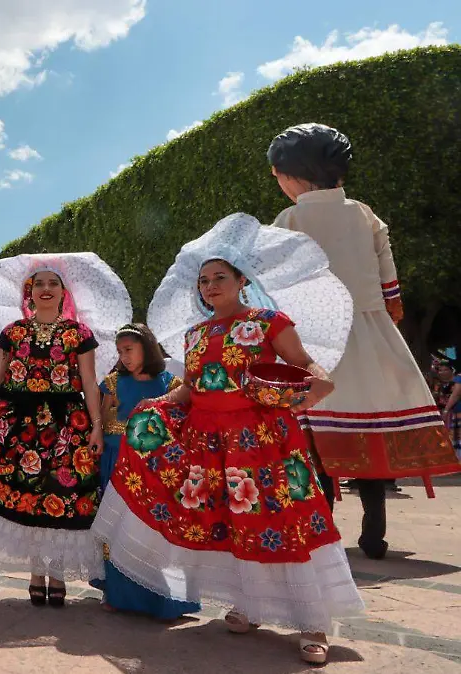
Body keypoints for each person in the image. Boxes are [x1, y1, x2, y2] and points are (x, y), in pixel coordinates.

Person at [92, 213, 364, 665]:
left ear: (242, 280)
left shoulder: (271, 322)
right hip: (212, 442)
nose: (211, 285)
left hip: (265, 439)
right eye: (204, 280)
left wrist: (320, 385)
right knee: (231, 523)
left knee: (287, 520)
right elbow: (192, 389)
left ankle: (313, 622)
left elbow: (304, 364)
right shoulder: (196, 335)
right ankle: (250, 605)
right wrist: (158, 406)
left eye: (220, 277)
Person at [269, 123, 461, 559]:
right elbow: (387, 271)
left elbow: (278, 282)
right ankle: (374, 533)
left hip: (318, 338)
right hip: (370, 334)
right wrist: (389, 308)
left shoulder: (290, 219)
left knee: (316, 439)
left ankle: (323, 530)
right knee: (370, 430)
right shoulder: (363, 213)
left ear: (293, 174)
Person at [0, 253, 131, 607]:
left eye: (52, 284)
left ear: (63, 292)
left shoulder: (78, 333)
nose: (45, 289)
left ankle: (55, 572)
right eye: (38, 284)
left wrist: (96, 427)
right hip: (21, 422)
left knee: (60, 495)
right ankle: (36, 572)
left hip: (68, 424)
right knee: (30, 495)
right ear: (29, 292)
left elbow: (89, 383)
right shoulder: (13, 331)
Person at [95, 323, 200, 620]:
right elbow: (102, 421)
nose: (124, 356)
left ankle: (156, 594)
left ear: (147, 348)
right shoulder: (113, 382)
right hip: (115, 461)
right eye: (119, 351)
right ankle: (115, 592)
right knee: (116, 527)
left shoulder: (171, 385)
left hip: (154, 467)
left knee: (150, 528)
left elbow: (182, 422)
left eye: (129, 349)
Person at [428, 349, 461, 462]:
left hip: (453, 413)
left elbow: (455, 396)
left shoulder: (457, 381)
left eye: (445, 370)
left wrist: (446, 410)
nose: (441, 372)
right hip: (444, 413)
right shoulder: (439, 384)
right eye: (440, 370)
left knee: (454, 437)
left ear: (452, 371)